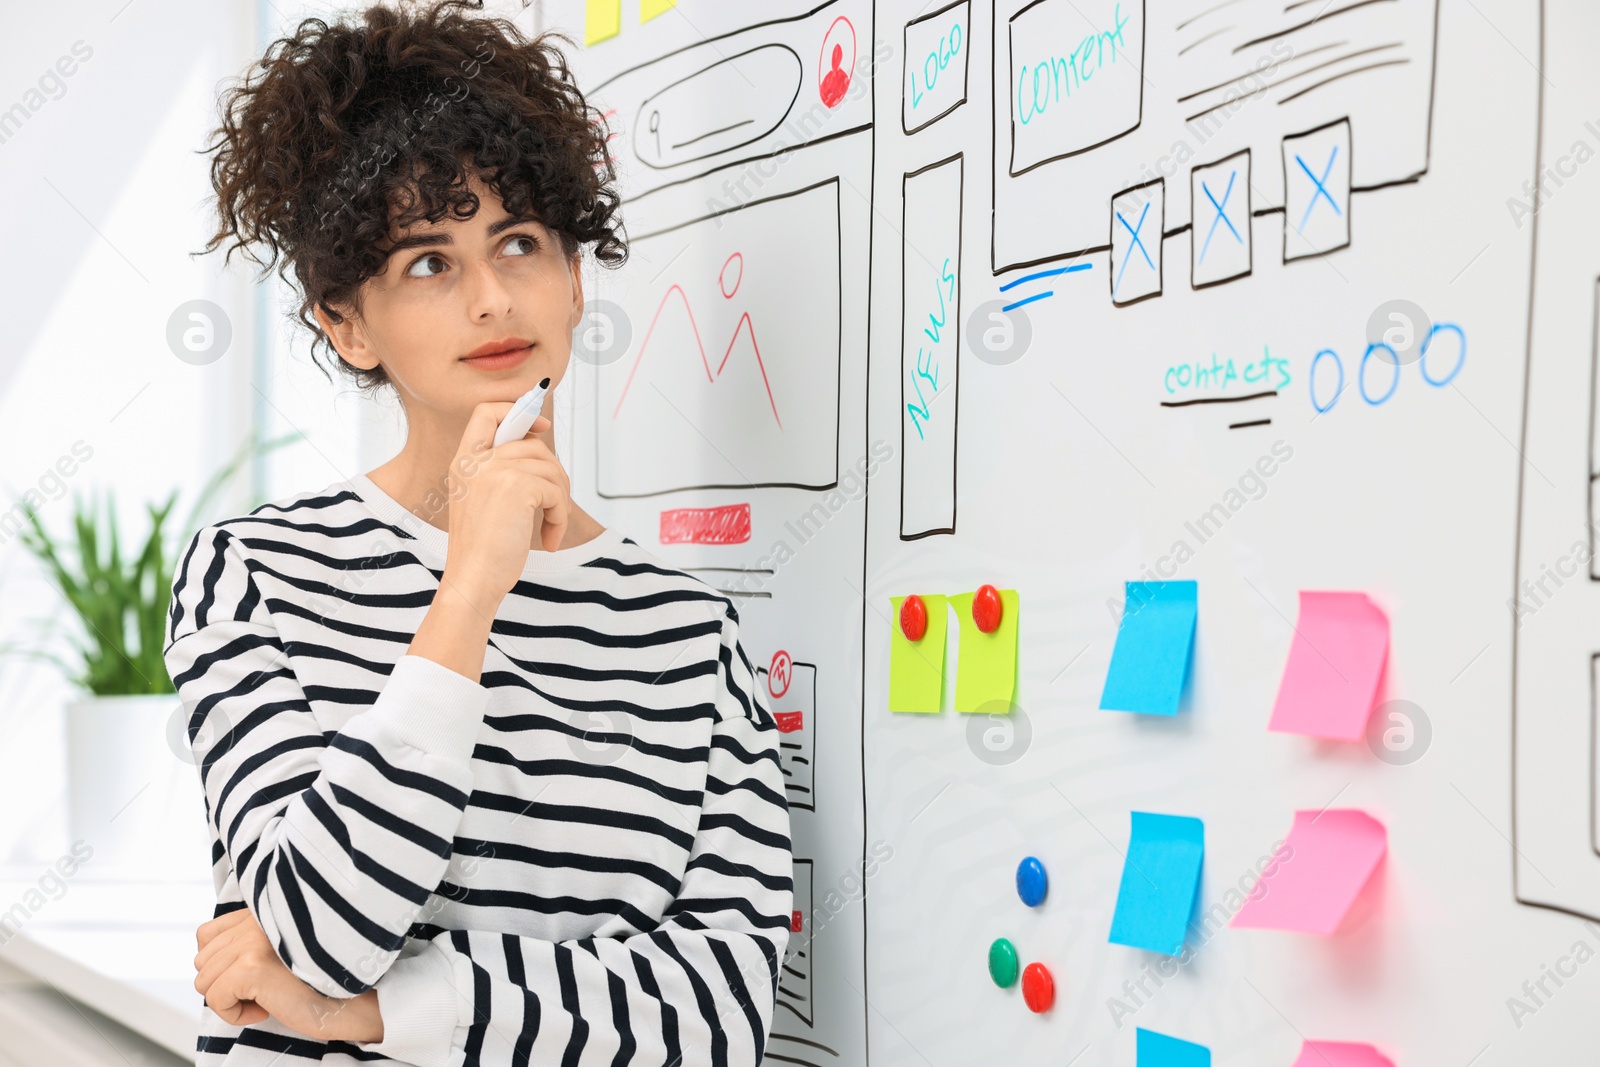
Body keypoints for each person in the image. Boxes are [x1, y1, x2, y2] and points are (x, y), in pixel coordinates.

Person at [167, 3, 793, 1064]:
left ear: (575, 274)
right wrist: (468, 591)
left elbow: (720, 1014)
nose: (494, 298)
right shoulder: (255, 575)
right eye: (428, 262)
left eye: (519, 242)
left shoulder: (690, 634)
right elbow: (322, 931)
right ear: (347, 324)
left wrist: (377, 1013)